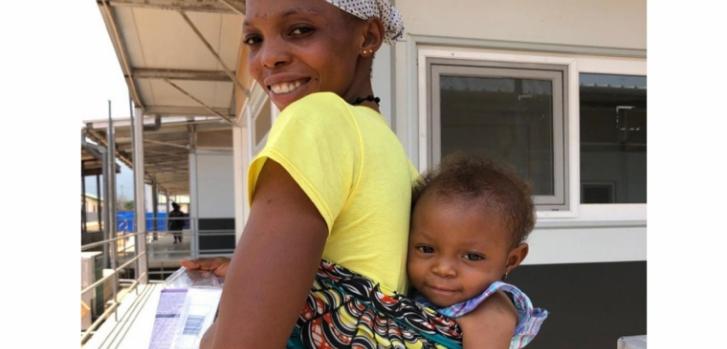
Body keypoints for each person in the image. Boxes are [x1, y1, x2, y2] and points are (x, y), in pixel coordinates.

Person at [182, 0, 520, 347]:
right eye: (254, 39)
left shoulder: (316, 118)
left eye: (300, 30)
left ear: (368, 36)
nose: (268, 57)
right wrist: (251, 273)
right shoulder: (393, 153)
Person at [407, 155, 548, 348]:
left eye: (472, 257)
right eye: (427, 249)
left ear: (511, 260)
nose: (443, 269)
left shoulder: (489, 314)